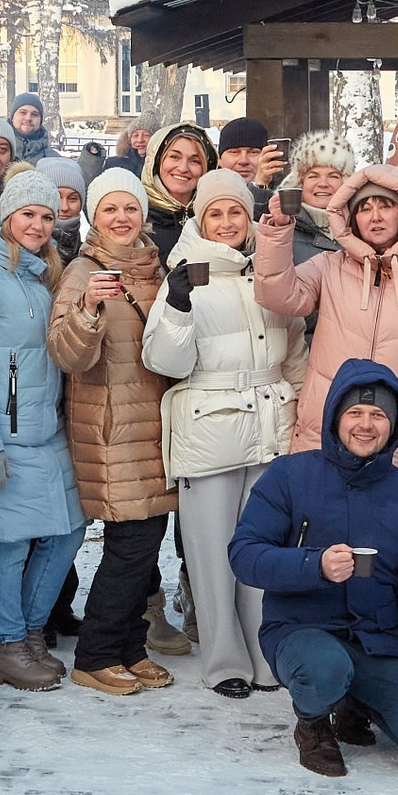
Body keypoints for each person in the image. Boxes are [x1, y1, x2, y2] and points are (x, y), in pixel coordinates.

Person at [230, 364, 398, 777]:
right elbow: (244, 555)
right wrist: (314, 565)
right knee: (325, 669)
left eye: (378, 415)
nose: (366, 425)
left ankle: (354, 700)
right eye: (355, 413)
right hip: (301, 629)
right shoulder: (289, 475)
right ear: (335, 417)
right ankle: (313, 724)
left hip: (375, 637)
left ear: (394, 425)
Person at [143, 168, 303, 697]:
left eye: (236, 211)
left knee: (264, 549)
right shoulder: (183, 274)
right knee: (213, 555)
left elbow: (295, 355)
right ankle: (225, 661)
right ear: (200, 219)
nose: (228, 222)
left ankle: (265, 654)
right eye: (216, 213)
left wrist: (302, 415)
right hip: (209, 428)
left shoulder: (268, 272)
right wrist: (177, 306)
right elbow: (165, 362)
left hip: (271, 425)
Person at [0, 169, 86, 690]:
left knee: (67, 531)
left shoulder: (39, 274)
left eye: (47, 216)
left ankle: (28, 633)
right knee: (9, 543)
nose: (38, 225)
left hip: (44, 430)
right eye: (28, 214)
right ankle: (7, 646)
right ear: (6, 216)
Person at [256, 163, 398, 478]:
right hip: (323, 437)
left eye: (385, 206)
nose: (375, 217)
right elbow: (277, 296)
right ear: (351, 217)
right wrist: (277, 231)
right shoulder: (327, 267)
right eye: (365, 208)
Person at [49, 167, 177, 694]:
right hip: (112, 427)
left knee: (145, 545)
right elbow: (66, 355)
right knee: (130, 545)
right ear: (93, 217)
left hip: (156, 426)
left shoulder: (157, 267)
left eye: (130, 208)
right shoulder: (83, 271)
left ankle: (130, 647)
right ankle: (96, 654)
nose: (121, 218)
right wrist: (88, 310)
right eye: (110, 209)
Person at [274, 135, 355, 260]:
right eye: (313, 176)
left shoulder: (362, 228)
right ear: (300, 183)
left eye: (333, 176)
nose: (323, 184)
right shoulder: (281, 230)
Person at [141, 121, 215, 250]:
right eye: (174, 157)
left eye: (195, 161)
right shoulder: (136, 217)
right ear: (157, 161)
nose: (183, 168)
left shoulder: (216, 217)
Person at [41, 155, 86, 264]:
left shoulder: (90, 253)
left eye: (72, 199)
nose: (64, 207)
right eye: (56, 197)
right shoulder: (25, 253)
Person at [9, 90, 52, 162]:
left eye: (34, 114)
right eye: (23, 112)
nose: (28, 118)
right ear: (12, 117)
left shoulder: (52, 159)